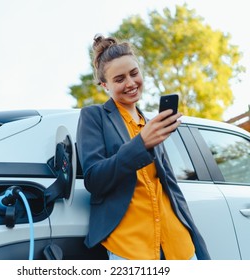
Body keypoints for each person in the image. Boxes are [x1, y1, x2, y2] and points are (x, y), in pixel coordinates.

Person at [76, 34, 210, 260]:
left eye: (134, 73)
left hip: (177, 244)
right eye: (119, 79)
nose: (130, 83)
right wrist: (141, 144)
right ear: (104, 85)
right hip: (131, 248)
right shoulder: (94, 116)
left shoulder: (150, 124)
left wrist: (198, 244)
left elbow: (171, 187)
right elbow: (94, 179)